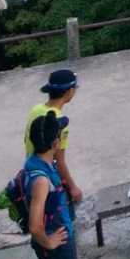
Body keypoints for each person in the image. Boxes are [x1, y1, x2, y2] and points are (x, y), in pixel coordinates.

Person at [24, 111, 79, 259]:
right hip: (58, 245)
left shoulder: (35, 162)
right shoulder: (41, 180)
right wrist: (49, 242)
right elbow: (34, 226)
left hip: (59, 238)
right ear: (55, 143)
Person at [24, 69, 83, 209]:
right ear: (70, 91)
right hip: (49, 175)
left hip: (31, 166)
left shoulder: (36, 109)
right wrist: (73, 187)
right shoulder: (59, 122)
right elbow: (60, 161)